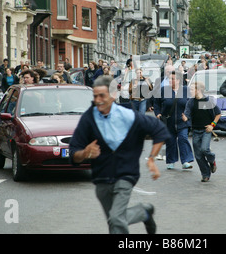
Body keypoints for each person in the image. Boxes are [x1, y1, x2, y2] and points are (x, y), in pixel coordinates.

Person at [68, 76, 170, 234]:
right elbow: (74, 152)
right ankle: (144, 212)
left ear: (113, 95)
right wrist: (85, 153)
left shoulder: (128, 115)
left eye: (102, 95)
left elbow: (159, 130)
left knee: (116, 219)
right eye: (95, 96)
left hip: (125, 175)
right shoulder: (89, 119)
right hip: (101, 178)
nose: (98, 100)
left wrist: (151, 159)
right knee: (115, 221)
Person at [154, 71, 194, 170]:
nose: (170, 81)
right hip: (168, 121)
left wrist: (188, 115)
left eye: (173, 79)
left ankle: (185, 161)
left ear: (178, 80)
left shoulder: (186, 90)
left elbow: (191, 103)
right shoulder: (163, 90)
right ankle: (171, 161)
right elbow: (156, 103)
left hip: (182, 121)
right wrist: (158, 113)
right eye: (169, 79)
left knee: (183, 138)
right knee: (170, 141)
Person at [182, 81, 220, 182]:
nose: (190, 91)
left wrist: (212, 125)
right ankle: (205, 174)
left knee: (205, 149)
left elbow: (218, 114)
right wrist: (185, 118)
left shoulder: (208, 100)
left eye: (191, 89)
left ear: (198, 90)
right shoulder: (191, 101)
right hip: (195, 131)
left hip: (206, 130)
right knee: (198, 155)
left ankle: (212, 161)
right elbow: (187, 114)